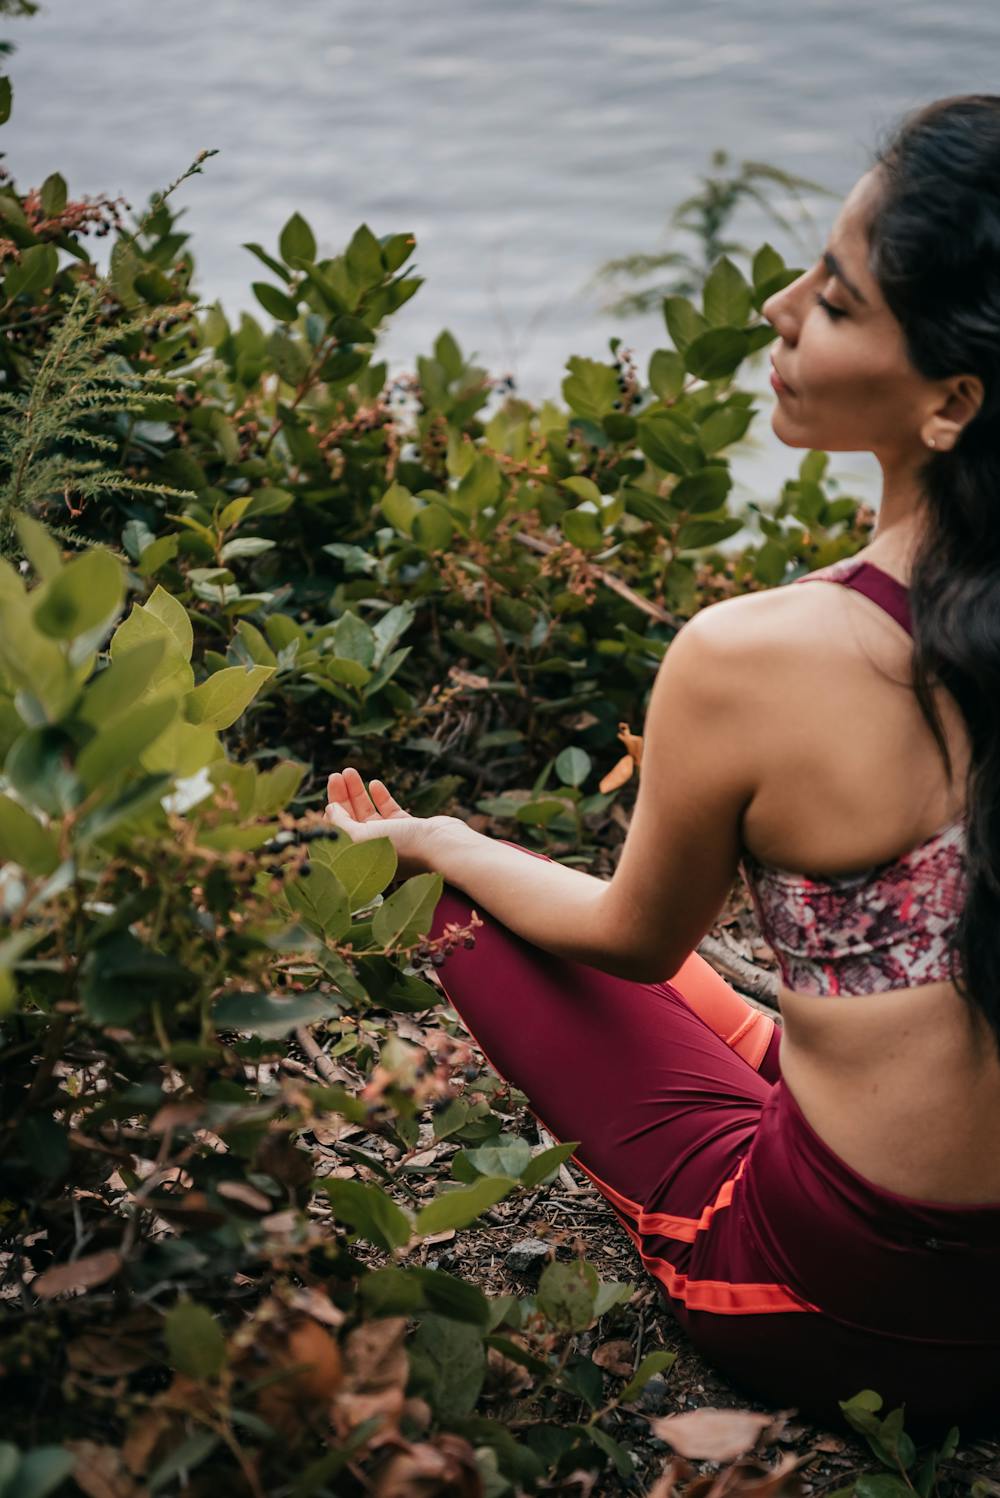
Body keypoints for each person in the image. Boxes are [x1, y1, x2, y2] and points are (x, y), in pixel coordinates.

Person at [325, 94, 1000, 1435]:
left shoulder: (758, 655)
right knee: (732, 977)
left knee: (461, 891)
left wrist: (435, 845)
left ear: (953, 401)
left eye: (837, 301)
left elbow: (632, 941)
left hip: (838, 1306)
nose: (779, 314)